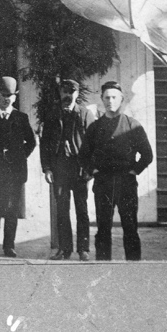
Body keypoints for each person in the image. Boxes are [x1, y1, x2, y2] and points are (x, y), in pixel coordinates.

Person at [79, 80, 153, 261]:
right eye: (107, 98)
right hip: (103, 184)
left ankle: (133, 269)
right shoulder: (95, 128)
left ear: (121, 99)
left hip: (126, 183)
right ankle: (103, 268)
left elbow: (147, 155)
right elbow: (83, 156)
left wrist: (133, 172)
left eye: (114, 97)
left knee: (130, 227)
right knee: (103, 228)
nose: (110, 101)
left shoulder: (132, 125)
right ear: (102, 100)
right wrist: (94, 171)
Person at [40, 78, 96, 261]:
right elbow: (45, 144)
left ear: (77, 94)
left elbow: (93, 144)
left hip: (79, 170)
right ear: (60, 93)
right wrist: (47, 168)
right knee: (62, 211)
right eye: (64, 92)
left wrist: (89, 169)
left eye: (71, 92)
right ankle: (65, 249)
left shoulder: (85, 114)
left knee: (82, 209)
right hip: (59, 169)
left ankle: (83, 249)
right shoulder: (52, 115)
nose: (67, 96)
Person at [0, 76, 37, 258]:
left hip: (14, 171)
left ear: (15, 97)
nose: (7, 98)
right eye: (4, 95)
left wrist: (20, 157)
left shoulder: (21, 118)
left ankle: (9, 246)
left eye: (11, 95)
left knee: (11, 210)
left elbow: (31, 142)